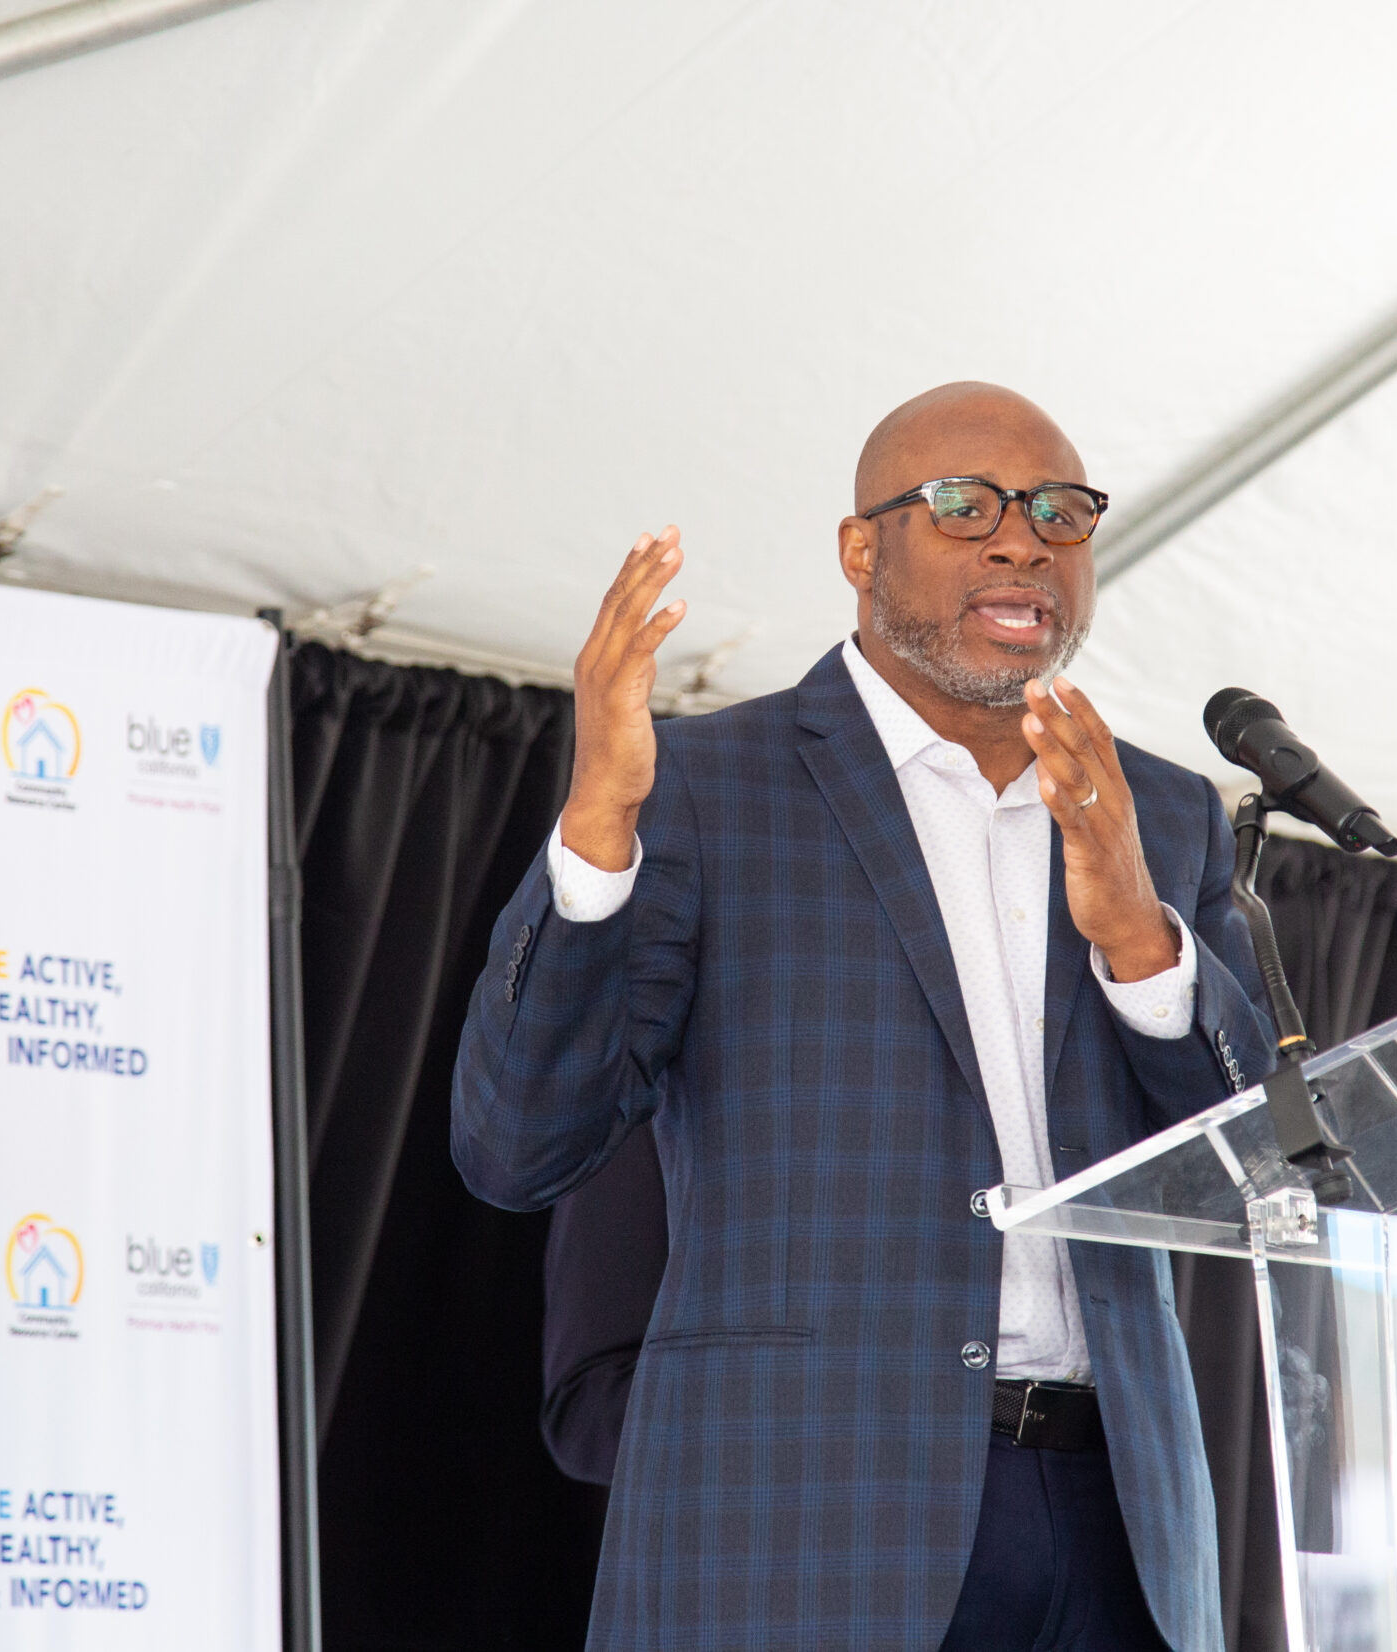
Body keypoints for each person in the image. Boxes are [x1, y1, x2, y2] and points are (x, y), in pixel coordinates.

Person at [453, 383, 1274, 1651]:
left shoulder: (1156, 815)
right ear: (860, 549)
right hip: (808, 1515)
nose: (1022, 541)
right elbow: (518, 1144)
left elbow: (1245, 1180)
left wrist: (1136, 938)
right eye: (966, 508)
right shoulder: (707, 788)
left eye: (1061, 512)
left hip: (1116, 1515)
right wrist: (597, 836)